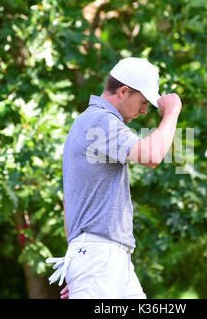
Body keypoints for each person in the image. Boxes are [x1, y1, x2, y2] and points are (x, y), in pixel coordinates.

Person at [46, 57, 182, 299]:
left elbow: (70, 200)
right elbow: (152, 155)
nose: (144, 111)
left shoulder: (90, 121)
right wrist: (171, 113)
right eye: (142, 102)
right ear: (123, 91)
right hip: (100, 258)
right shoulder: (100, 120)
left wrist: (79, 263)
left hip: (107, 261)